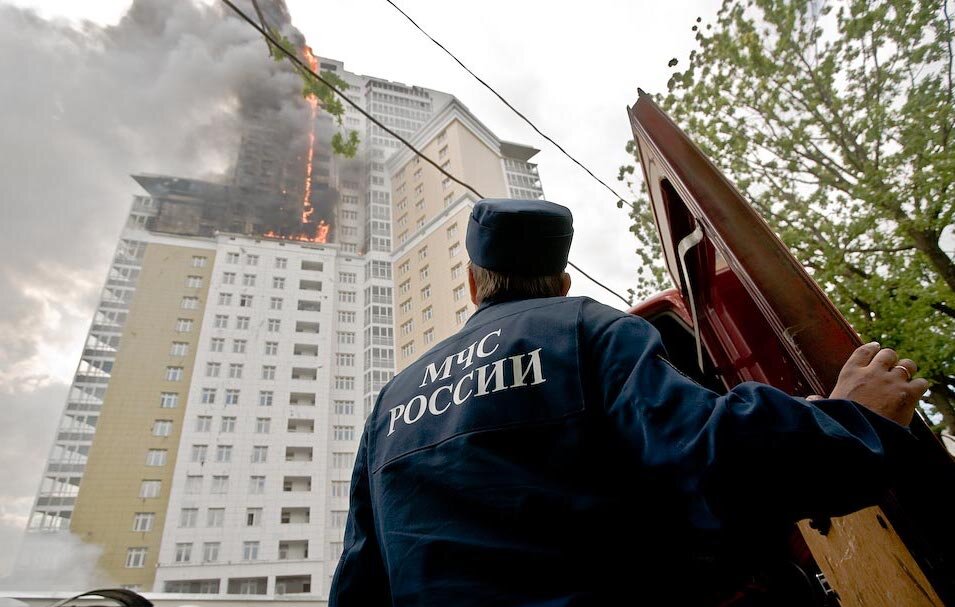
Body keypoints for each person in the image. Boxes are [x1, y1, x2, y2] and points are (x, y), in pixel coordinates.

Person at [328, 199, 927, 606]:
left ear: (470, 282)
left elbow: (358, 580)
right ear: (563, 282)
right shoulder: (587, 328)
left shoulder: (391, 402)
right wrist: (857, 421)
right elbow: (712, 459)